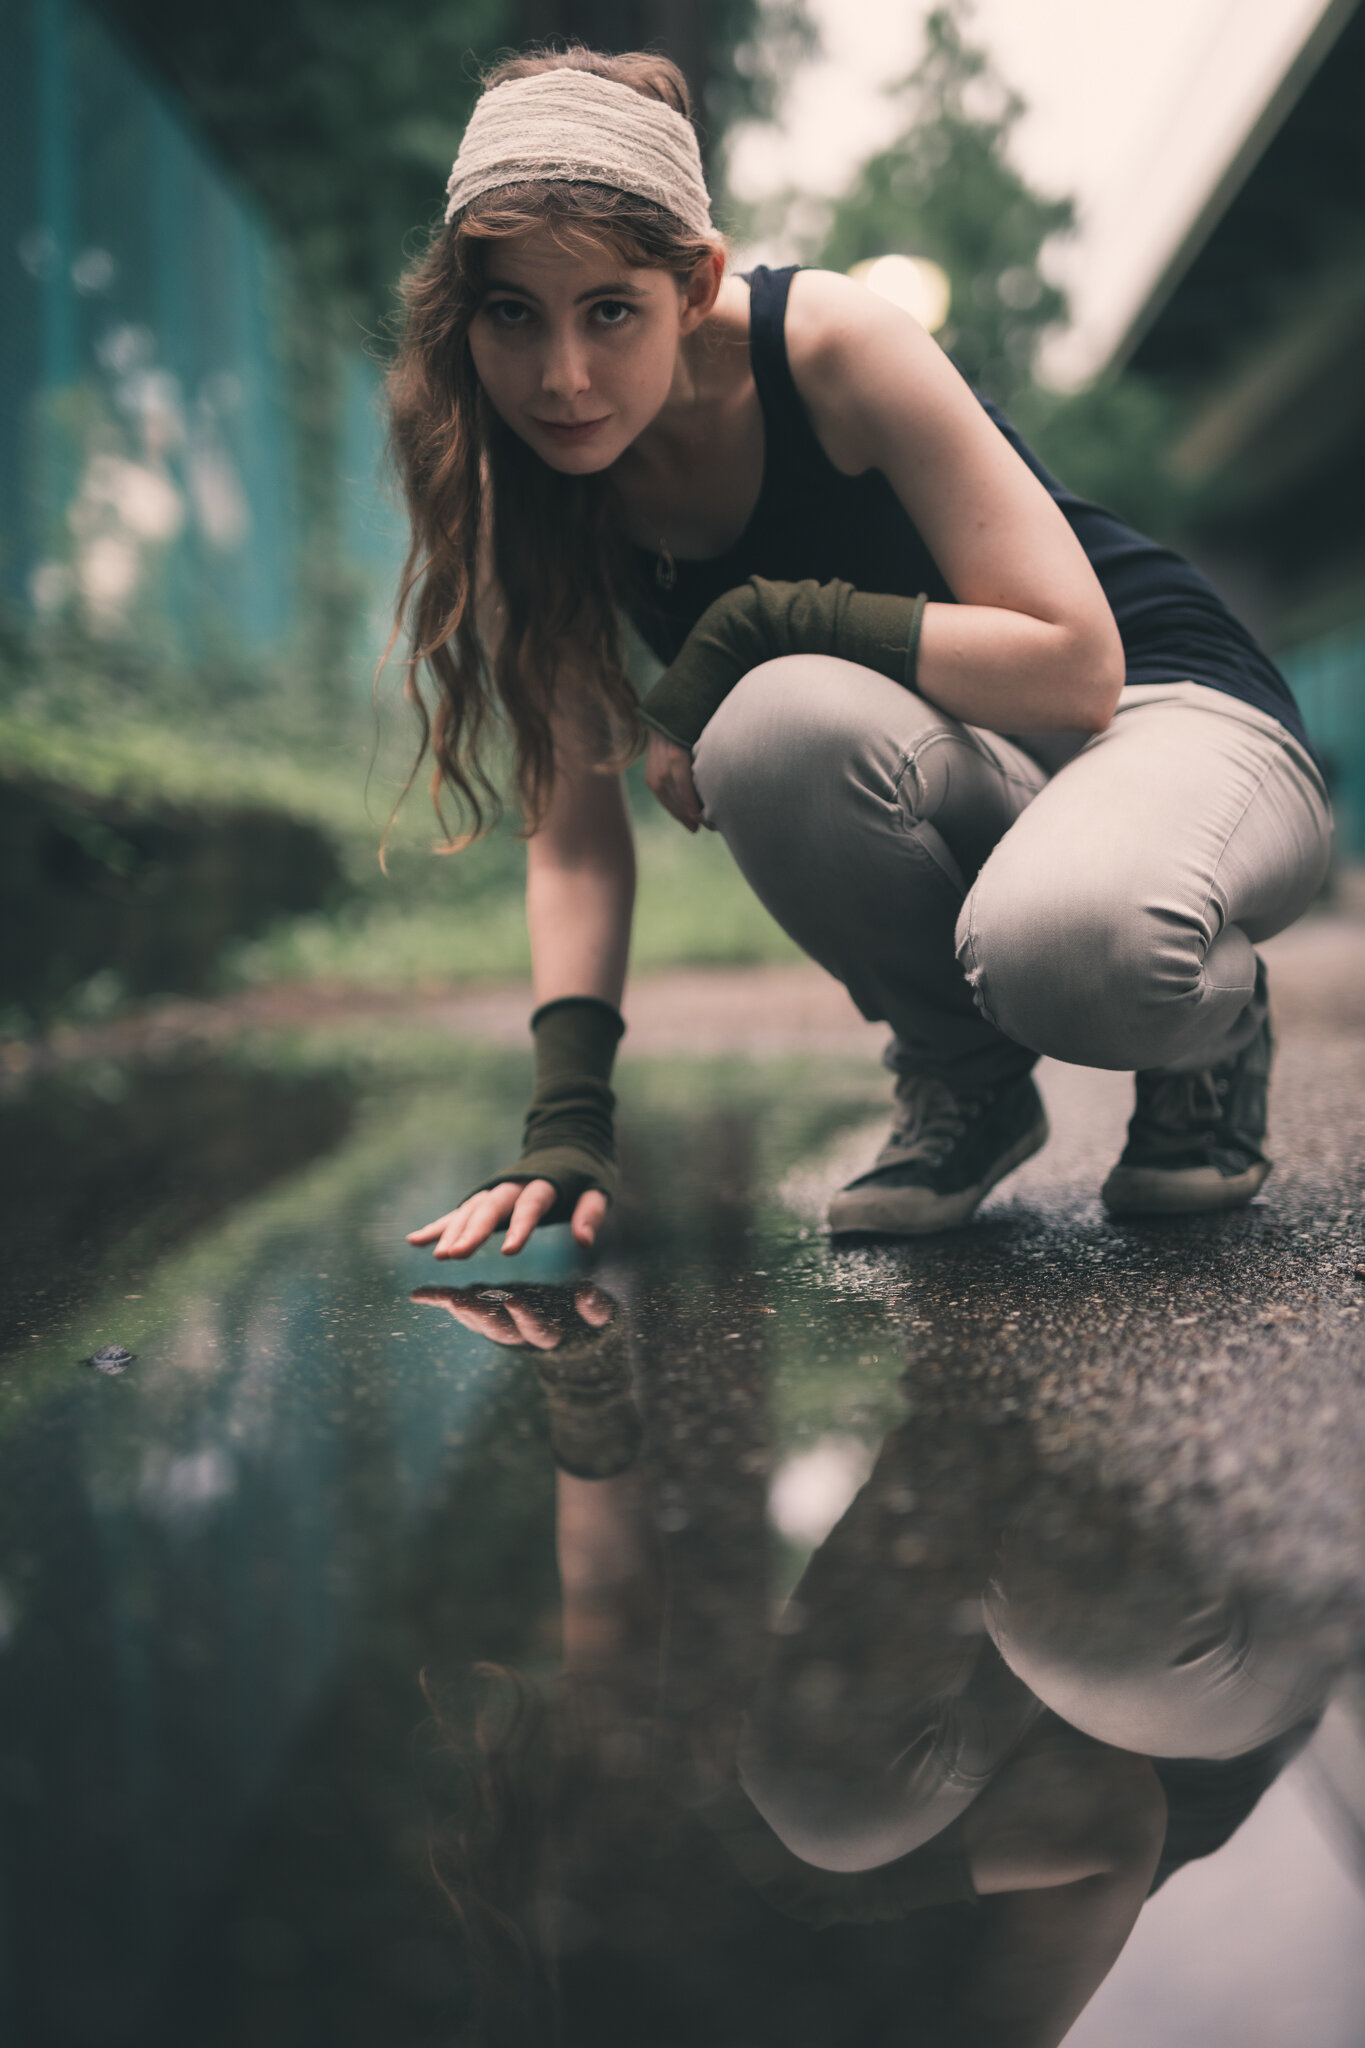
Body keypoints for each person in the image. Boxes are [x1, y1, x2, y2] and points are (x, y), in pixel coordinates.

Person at [397, 46, 1332, 1262]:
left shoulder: (829, 345)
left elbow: (1076, 665)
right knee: (773, 728)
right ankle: (967, 1082)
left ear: (695, 285)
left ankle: (1210, 1034)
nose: (561, 377)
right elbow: (576, 842)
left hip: (1167, 707)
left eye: (610, 310)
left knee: (1073, 948)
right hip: (973, 758)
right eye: (512, 314)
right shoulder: (522, 483)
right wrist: (567, 1122)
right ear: (464, 317)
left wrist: (757, 618)